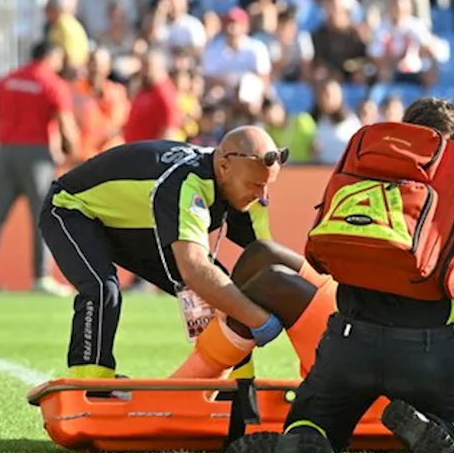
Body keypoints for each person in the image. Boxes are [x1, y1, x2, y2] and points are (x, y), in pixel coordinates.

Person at [225, 116, 454, 453]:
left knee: (315, 419)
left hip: (348, 340)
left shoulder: (382, 186)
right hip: (425, 351)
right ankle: (436, 428)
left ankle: (307, 437)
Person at [170, 98, 454, 381]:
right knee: (260, 254)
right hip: (363, 315)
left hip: (394, 343)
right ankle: (210, 383)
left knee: (272, 282)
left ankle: (183, 390)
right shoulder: (408, 191)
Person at [39, 126, 289, 379]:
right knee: (102, 287)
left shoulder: (251, 188)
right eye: (255, 185)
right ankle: (90, 381)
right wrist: (260, 321)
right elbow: (195, 271)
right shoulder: (187, 182)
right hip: (72, 209)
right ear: (224, 168)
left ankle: (238, 387)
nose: (262, 195)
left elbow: (266, 261)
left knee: (225, 291)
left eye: (267, 186)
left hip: (134, 222)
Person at [0, 42, 80, 295]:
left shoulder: (8, 80)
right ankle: (40, 277)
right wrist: (72, 152)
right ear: (51, 56)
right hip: (37, 155)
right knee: (43, 216)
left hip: (5, 151)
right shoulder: (52, 83)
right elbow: (66, 123)